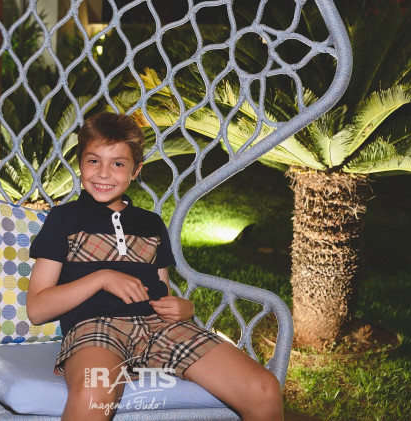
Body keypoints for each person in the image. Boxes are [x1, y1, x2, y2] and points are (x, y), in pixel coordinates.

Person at [27, 112, 283, 421]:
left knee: (264, 388)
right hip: (96, 329)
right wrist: (101, 278)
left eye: (118, 164)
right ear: (80, 163)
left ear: (136, 170)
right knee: (95, 393)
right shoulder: (63, 219)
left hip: (159, 328)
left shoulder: (150, 224)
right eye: (93, 161)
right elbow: (37, 309)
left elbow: (163, 293)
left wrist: (185, 309)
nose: (104, 173)